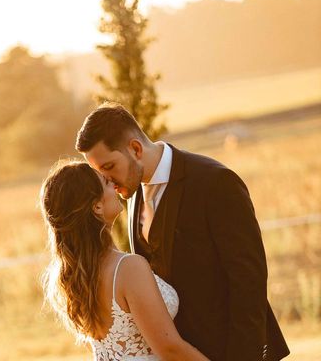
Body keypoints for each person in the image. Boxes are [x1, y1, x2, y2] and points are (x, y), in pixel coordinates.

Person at [75, 102, 289, 361]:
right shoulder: (131, 196)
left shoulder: (214, 182)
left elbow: (249, 281)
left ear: (135, 148)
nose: (108, 181)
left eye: (109, 167)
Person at [40, 160, 209, 360]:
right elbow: (170, 349)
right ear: (97, 207)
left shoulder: (71, 277)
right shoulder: (128, 268)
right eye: (105, 182)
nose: (114, 184)